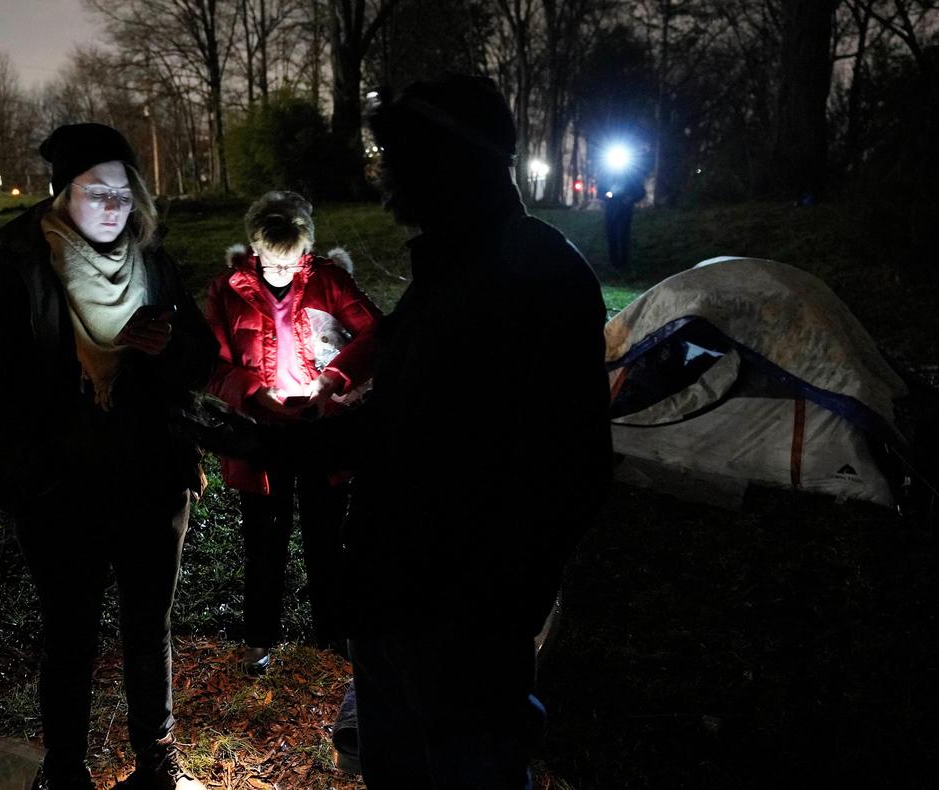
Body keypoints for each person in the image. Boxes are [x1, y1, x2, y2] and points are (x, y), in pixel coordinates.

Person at [253, 75, 612, 788]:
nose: (382, 174)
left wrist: (499, 604)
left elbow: (573, 468)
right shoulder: (448, 271)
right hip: (392, 599)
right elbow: (411, 422)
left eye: (396, 155)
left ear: (448, 158)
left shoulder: (535, 275)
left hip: (459, 623)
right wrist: (302, 440)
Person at [0, 123, 217, 790]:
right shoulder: (16, 266)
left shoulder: (153, 261)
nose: (113, 206)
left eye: (124, 192)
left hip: (151, 479)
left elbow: (202, 360)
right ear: (61, 194)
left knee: (148, 626)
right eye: (96, 191)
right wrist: (34, 463)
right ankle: (66, 771)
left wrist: (165, 350)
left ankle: (157, 760)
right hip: (59, 489)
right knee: (69, 632)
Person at [204, 191, 382, 673]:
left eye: (293, 261)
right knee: (263, 536)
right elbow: (211, 363)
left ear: (307, 249)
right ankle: (259, 637)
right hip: (261, 434)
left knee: (327, 535)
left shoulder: (327, 279)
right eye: (272, 263)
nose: (281, 273)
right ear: (254, 248)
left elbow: (377, 332)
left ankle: (334, 630)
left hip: (321, 428)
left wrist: (333, 378)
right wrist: (250, 391)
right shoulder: (227, 290)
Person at [601, 143, 648, 272]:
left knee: (623, 236)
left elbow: (641, 191)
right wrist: (606, 195)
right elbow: (601, 190)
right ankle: (614, 263)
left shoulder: (631, 176)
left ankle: (623, 264)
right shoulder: (607, 174)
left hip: (625, 210)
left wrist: (630, 199)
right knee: (612, 236)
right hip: (611, 209)